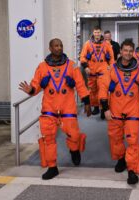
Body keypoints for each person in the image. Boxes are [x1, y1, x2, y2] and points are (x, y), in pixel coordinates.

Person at [19, 38, 92, 180]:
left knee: (74, 135)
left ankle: (75, 150)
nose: (59, 48)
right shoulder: (42, 67)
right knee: (49, 139)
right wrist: (31, 90)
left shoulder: (71, 66)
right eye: (56, 46)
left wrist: (87, 102)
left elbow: (81, 85)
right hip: (49, 109)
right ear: (50, 48)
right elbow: (35, 86)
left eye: (61, 45)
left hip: (67, 108)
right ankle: (52, 167)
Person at [99, 39, 139, 185]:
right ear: (121, 51)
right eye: (125, 50)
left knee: (132, 141)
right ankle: (121, 159)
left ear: (133, 52)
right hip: (115, 112)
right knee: (115, 139)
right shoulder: (111, 69)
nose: (128, 53)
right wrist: (105, 109)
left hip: (132, 112)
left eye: (130, 51)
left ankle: (132, 171)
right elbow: (103, 88)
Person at [80, 26, 114, 118]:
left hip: (103, 70)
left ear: (101, 33)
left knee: (103, 89)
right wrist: (85, 67)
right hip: (91, 70)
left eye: (98, 32)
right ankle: (95, 106)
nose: (97, 34)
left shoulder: (106, 44)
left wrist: (110, 67)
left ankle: (104, 108)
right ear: (93, 33)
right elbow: (82, 57)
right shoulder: (87, 44)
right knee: (93, 90)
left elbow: (111, 57)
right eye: (95, 32)